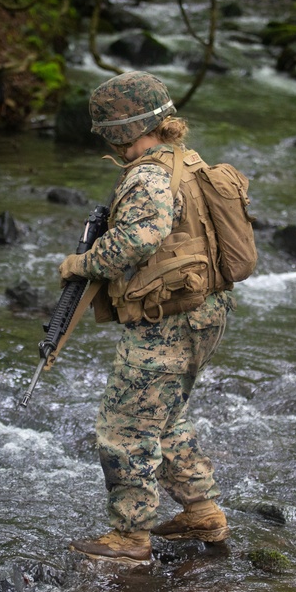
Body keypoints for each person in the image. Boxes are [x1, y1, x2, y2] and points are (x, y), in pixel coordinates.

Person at [58, 71, 235, 565]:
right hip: (207, 311)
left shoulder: (148, 176)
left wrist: (82, 264)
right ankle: (203, 512)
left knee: (125, 427)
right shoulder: (189, 162)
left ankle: (130, 536)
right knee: (166, 415)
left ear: (119, 131)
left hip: (169, 321)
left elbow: (138, 239)